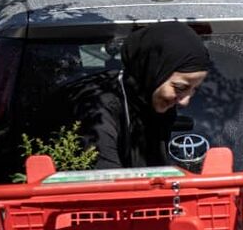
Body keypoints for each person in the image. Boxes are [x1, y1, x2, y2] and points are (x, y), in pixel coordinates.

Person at [64, 21, 210, 168]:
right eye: (179, 88)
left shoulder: (150, 104)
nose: (185, 101)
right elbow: (105, 184)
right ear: (152, 71)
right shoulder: (94, 111)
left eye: (194, 90)